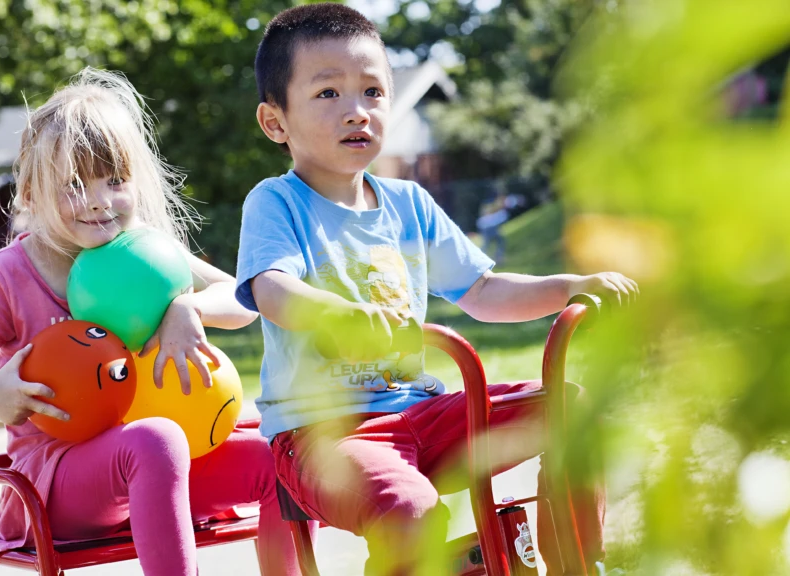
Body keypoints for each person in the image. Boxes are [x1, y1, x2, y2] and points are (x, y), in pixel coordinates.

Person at [235, 4, 638, 574]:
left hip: (423, 415)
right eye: (328, 94)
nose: (357, 111)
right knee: (410, 508)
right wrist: (341, 317)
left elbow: (483, 290)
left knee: (571, 412)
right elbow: (272, 289)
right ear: (276, 122)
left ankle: (577, 563)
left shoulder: (409, 204)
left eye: (372, 91)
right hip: (322, 435)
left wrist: (569, 286)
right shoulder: (277, 202)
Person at [0, 68, 307, 576]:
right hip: (60, 482)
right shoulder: (5, 274)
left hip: (160, 465)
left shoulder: (147, 255)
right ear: (29, 192)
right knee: (154, 440)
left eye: (114, 180)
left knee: (279, 456)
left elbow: (246, 299)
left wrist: (187, 306)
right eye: (72, 185)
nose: (97, 200)